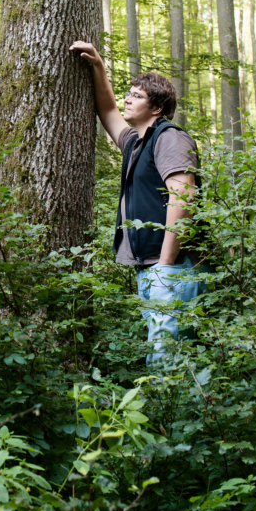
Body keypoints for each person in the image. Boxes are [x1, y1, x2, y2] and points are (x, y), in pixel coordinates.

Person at [70, 41, 208, 365]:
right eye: (128, 93)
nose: (127, 99)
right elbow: (108, 111)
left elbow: (184, 198)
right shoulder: (136, 143)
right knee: (167, 357)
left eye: (137, 95)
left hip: (174, 267)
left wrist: (165, 265)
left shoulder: (169, 138)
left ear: (156, 108)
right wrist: (98, 66)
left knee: (169, 360)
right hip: (153, 268)